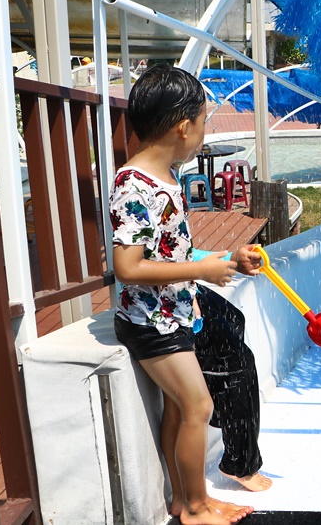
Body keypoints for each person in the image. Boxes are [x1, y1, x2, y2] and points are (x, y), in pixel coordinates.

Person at [109, 63, 256, 525]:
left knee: (179, 408)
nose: (204, 132)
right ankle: (195, 507)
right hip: (151, 324)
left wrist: (227, 258)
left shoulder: (166, 179)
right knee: (199, 406)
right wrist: (203, 270)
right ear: (184, 125)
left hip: (175, 312)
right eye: (205, 122)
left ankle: (182, 498)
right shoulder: (134, 185)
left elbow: (175, 249)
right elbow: (127, 267)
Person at [192, 280, 272, 492]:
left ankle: (219, 408)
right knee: (237, 363)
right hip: (167, 298)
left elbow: (179, 253)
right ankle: (238, 462)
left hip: (183, 288)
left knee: (234, 318)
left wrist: (230, 258)